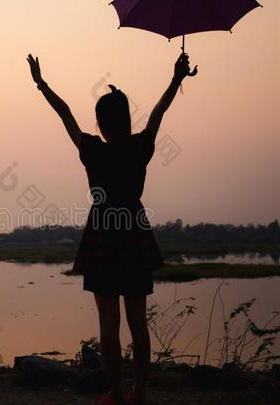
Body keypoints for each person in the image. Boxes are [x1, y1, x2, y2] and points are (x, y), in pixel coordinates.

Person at [27, 52, 197, 405]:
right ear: (127, 121)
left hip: (103, 234)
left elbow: (65, 114)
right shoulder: (140, 147)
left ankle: (116, 394)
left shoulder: (92, 149)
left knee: (109, 324)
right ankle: (140, 394)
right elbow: (158, 114)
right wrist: (176, 79)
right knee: (138, 322)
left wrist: (41, 83)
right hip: (134, 233)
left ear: (102, 124)